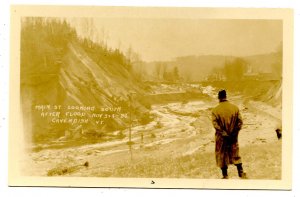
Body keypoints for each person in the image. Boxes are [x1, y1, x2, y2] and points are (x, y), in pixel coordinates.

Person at [211, 89, 247, 179]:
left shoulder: (215, 110)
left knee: (221, 154)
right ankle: (241, 172)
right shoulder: (235, 108)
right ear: (226, 96)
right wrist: (234, 134)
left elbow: (216, 125)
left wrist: (224, 134)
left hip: (222, 138)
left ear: (218, 97)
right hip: (233, 137)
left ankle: (225, 175)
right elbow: (240, 122)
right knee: (235, 153)